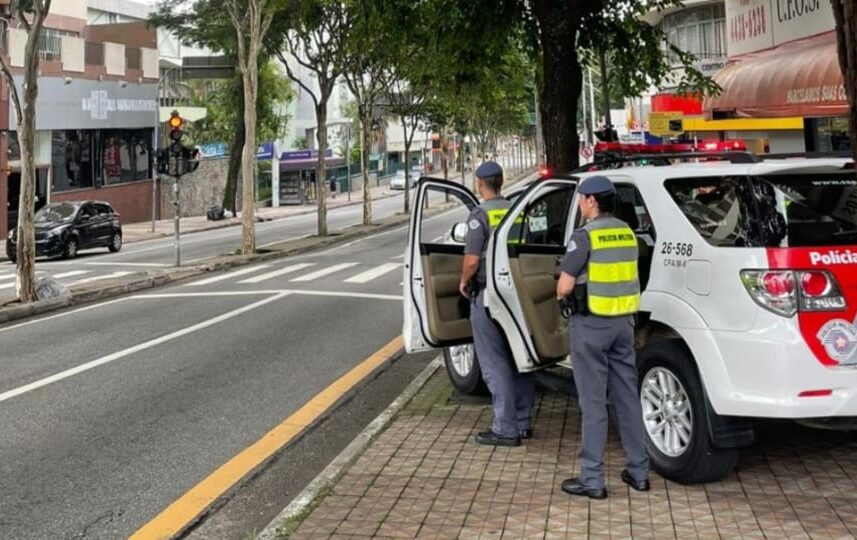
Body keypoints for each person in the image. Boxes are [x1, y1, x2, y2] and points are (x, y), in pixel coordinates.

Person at [556, 175, 650, 499]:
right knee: (627, 398)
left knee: (593, 403)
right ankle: (639, 472)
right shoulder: (627, 233)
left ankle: (592, 479)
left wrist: (562, 299)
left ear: (592, 201)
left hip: (591, 327)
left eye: (581, 199)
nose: (580, 204)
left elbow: (565, 286)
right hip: (624, 324)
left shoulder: (584, 237)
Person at [459, 161, 534, 447]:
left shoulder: (479, 216)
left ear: (480, 183)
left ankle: (505, 427)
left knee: (494, 362)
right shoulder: (516, 210)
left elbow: (472, 260)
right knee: (519, 357)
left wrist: (464, 282)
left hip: (488, 295)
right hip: (516, 293)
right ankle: (523, 421)